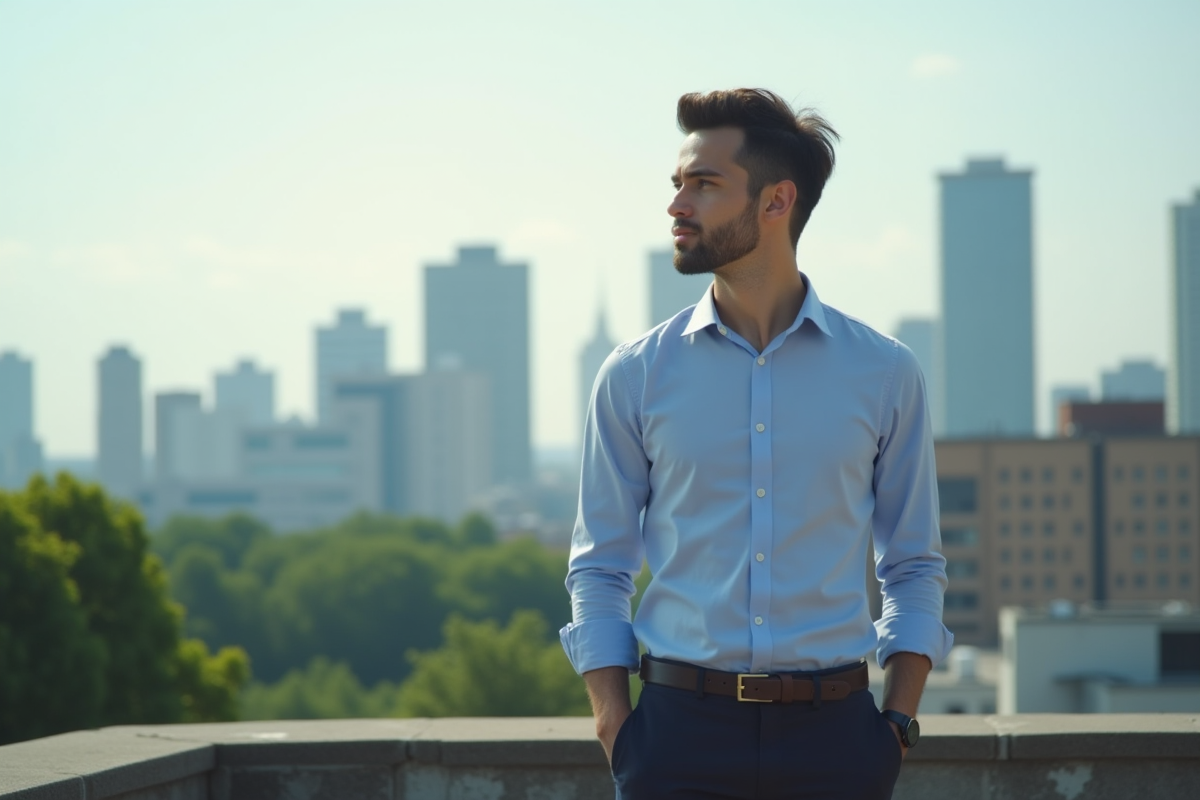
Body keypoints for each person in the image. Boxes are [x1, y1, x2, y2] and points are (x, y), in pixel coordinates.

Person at [559, 88, 953, 799]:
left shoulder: (886, 372)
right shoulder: (634, 375)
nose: (677, 206)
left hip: (839, 743)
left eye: (703, 185)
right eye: (677, 185)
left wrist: (896, 723)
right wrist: (616, 725)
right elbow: (599, 569)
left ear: (777, 201)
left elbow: (914, 564)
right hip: (677, 741)